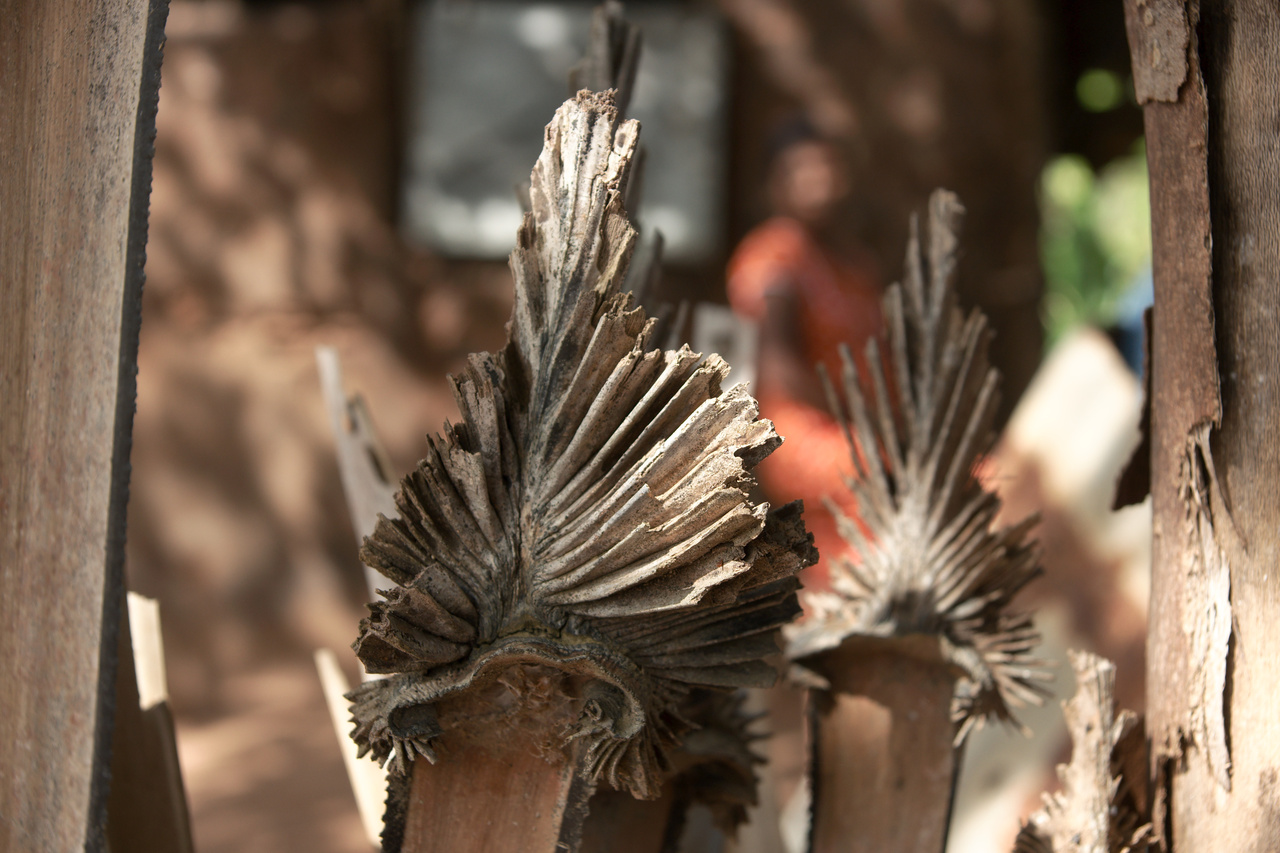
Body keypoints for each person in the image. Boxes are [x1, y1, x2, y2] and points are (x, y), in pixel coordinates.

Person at [726, 119, 883, 593]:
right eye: (802, 170)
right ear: (776, 184)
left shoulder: (852, 264)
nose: (820, 180)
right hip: (801, 432)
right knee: (896, 485)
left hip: (858, 431)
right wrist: (862, 425)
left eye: (827, 167)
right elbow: (780, 368)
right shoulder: (774, 257)